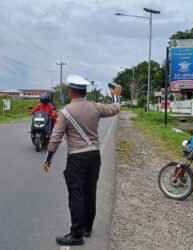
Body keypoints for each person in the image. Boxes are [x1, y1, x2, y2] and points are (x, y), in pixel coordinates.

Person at [42, 74, 121, 246]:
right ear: (84, 92)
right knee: (90, 192)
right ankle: (87, 228)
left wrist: (49, 157)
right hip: (94, 156)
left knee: (76, 195)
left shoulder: (66, 112)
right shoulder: (96, 106)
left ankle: (76, 235)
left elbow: (56, 137)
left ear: (71, 93)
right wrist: (115, 95)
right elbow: (115, 109)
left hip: (77, 158)